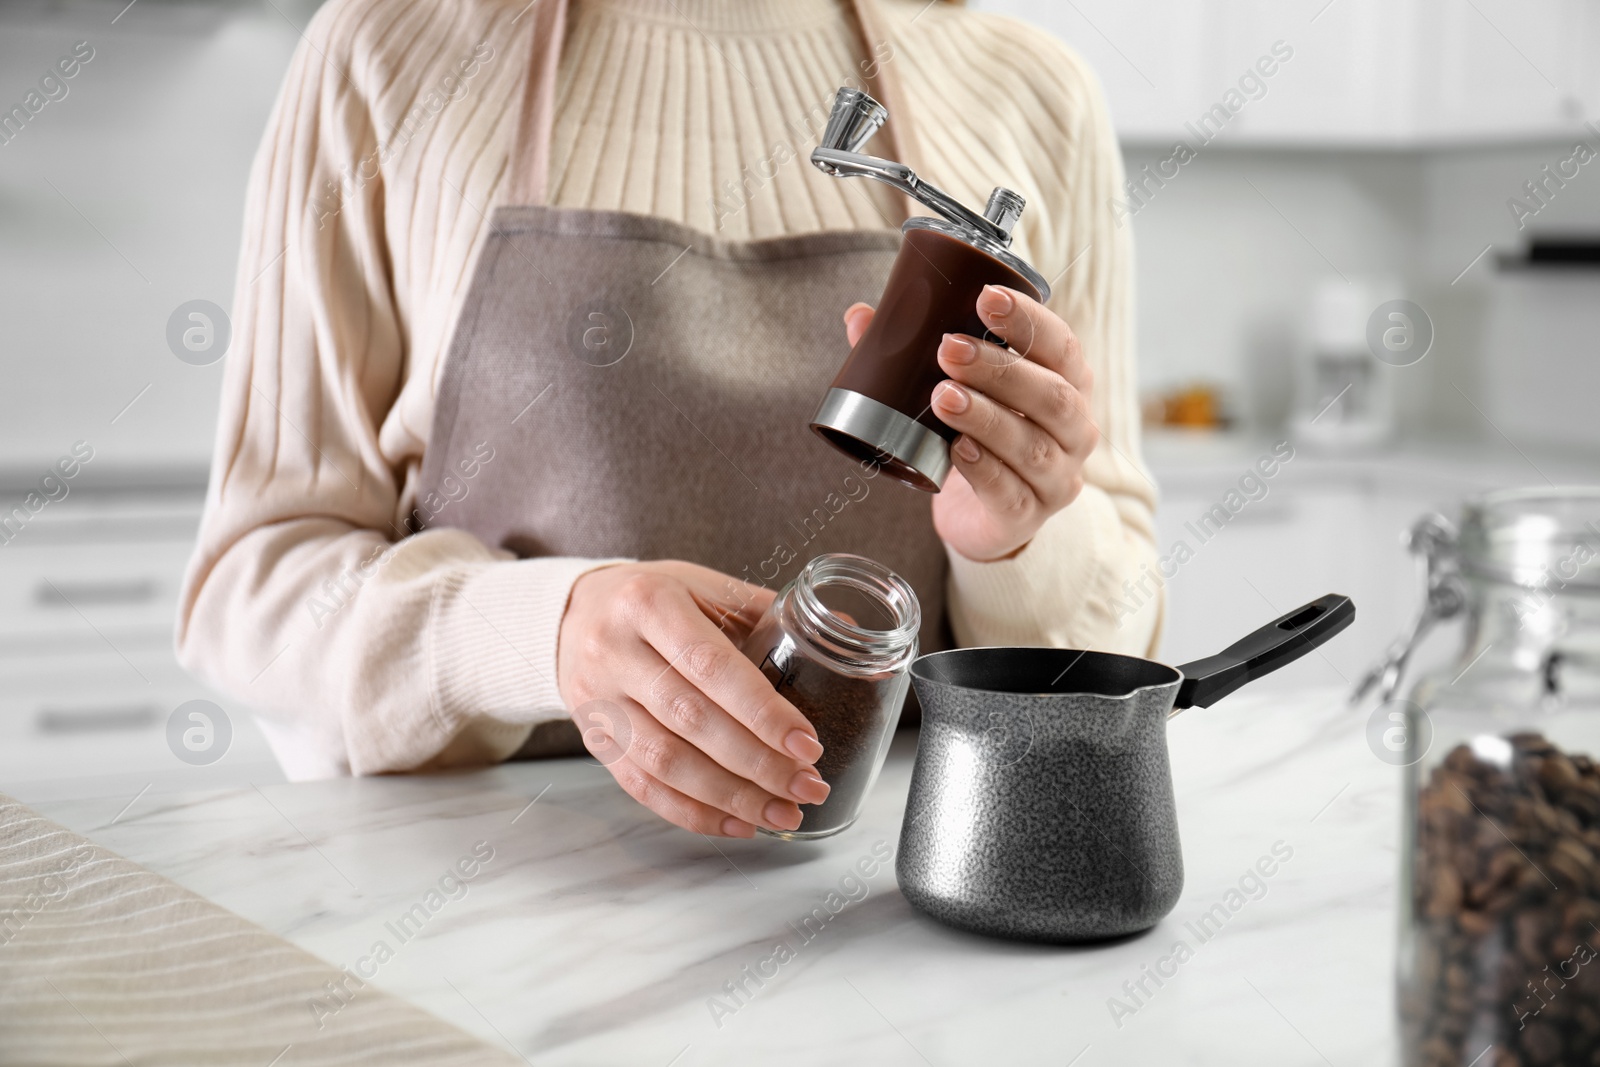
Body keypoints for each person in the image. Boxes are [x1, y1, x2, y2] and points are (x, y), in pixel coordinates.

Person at [177, 0, 1161, 839]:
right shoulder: (391, 54)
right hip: (488, 918)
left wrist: (1021, 543)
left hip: (884, 902)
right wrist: (541, 631)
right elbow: (252, 593)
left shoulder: (1032, 95)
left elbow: (1131, 628)